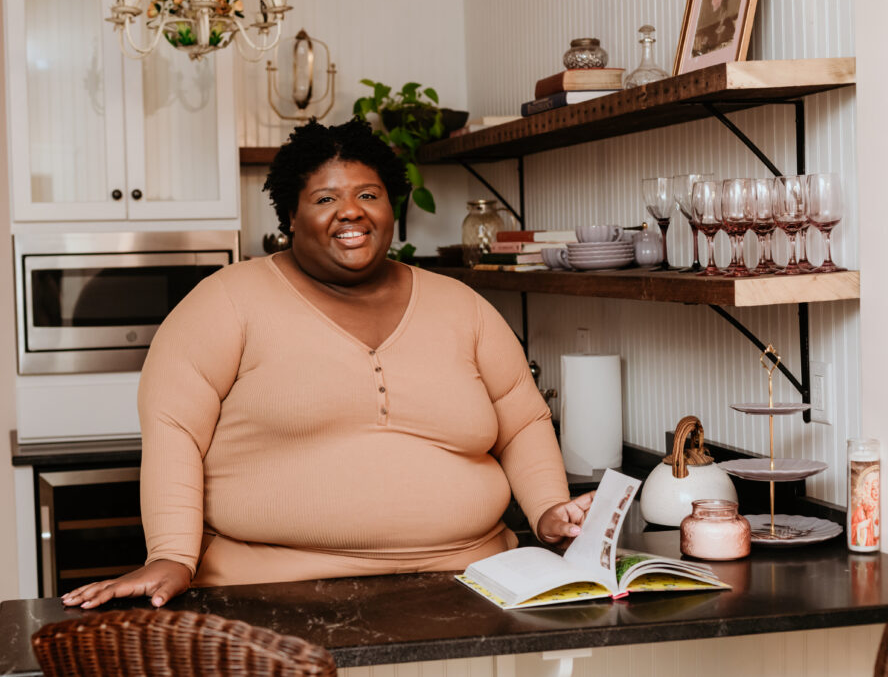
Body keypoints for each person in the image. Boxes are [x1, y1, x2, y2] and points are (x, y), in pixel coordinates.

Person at [62, 119, 592, 610]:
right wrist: (172, 555)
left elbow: (522, 421)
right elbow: (174, 431)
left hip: (475, 581)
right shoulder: (223, 303)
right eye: (325, 198)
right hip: (273, 595)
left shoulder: (462, 305)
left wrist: (549, 509)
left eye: (369, 195)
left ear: (392, 207)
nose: (352, 211)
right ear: (291, 215)